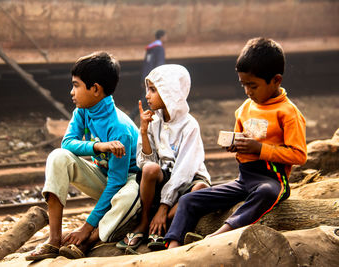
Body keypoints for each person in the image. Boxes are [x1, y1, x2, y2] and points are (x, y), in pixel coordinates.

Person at [164, 37, 307, 249]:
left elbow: (299, 155)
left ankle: (222, 233)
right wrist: (235, 146)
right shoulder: (243, 109)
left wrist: (260, 149)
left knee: (265, 192)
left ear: (276, 80)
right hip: (244, 179)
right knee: (188, 200)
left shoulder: (288, 113)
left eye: (253, 85)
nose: (248, 91)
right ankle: (173, 245)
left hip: (273, 180)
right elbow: (243, 148)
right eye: (244, 85)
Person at [26, 51, 140, 261]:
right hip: (106, 178)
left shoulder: (120, 129)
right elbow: (67, 143)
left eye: (76, 85)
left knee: (128, 196)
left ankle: (89, 241)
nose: (72, 92)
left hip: (128, 184)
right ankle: (53, 240)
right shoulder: (83, 111)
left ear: (95, 89)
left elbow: (117, 183)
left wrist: (86, 227)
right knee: (58, 156)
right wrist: (99, 146)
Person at [117, 64, 211, 251]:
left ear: (170, 92)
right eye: (148, 89)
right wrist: (143, 131)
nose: (147, 95)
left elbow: (184, 171)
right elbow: (145, 164)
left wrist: (163, 206)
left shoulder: (189, 125)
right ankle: (145, 223)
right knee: (150, 169)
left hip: (188, 181)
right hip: (163, 180)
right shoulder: (154, 121)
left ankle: (162, 220)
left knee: (200, 188)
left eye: (153, 90)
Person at [130, 29, 167, 120]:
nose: (166, 38)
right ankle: (132, 115)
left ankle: (134, 115)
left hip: (147, 76)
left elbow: (146, 63)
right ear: (162, 37)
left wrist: (144, 77)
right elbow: (160, 64)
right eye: (165, 36)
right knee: (150, 99)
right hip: (154, 77)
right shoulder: (159, 48)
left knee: (147, 98)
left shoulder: (150, 48)